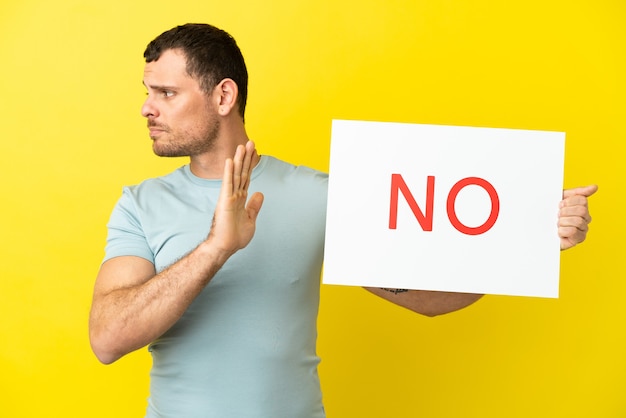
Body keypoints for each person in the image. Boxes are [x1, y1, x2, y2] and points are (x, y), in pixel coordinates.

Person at [88, 23, 598, 418]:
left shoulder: (321, 195)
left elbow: (427, 299)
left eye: (166, 93)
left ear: (224, 97)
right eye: (148, 91)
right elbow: (108, 339)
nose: (145, 108)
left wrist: (528, 240)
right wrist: (215, 248)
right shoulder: (140, 203)